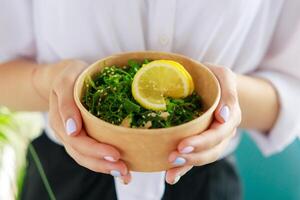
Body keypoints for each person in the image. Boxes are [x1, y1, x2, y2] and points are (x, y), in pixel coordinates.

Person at [1, 0, 300, 199]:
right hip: (66, 179)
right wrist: (50, 82)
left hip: (202, 183)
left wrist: (221, 98)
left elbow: (291, 90)